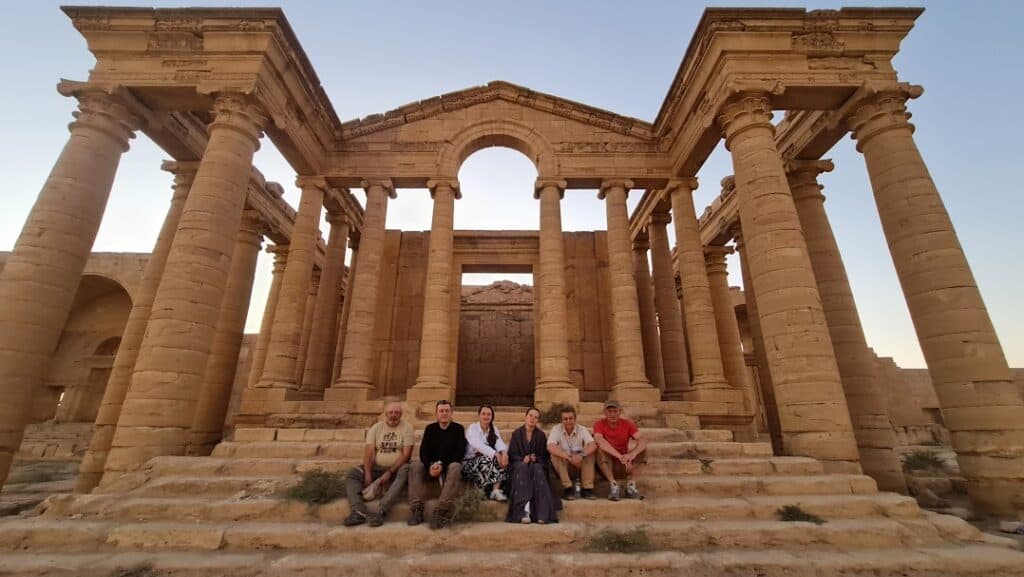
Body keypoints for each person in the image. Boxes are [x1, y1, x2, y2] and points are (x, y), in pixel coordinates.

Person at [343, 402, 413, 527]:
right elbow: (369, 452)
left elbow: (406, 455)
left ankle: (381, 510)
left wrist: (390, 471)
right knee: (352, 473)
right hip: (377, 468)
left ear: (401, 415)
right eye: (390, 413)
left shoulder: (407, 428)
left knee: (407, 468)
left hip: (396, 469)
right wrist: (368, 474)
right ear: (386, 414)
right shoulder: (376, 428)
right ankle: (358, 511)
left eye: (396, 413)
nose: (393, 415)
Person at [408, 399, 466, 529]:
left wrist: (442, 465)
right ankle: (417, 509)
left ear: (452, 413)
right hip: (431, 467)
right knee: (415, 465)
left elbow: (459, 453)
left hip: (448, 467)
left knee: (456, 466)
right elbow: (423, 451)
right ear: (436, 413)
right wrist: (429, 465)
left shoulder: (458, 429)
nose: (444, 413)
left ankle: (441, 511)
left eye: (447, 411)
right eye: (441, 411)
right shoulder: (430, 429)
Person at [506, 407, 560, 524]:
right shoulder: (516, 434)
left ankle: (542, 514)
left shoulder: (540, 435)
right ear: (526, 417)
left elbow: (544, 457)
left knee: (538, 469)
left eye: (536, 417)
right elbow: (512, 454)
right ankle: (524, 511)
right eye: (531, 416)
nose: (532, 419)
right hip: (520, 466)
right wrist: (522, 459)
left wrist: (536, 459)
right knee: (522, 468)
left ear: (538, 420)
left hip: (536, 466)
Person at [593, 400, 647, 501]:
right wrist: (620, 456)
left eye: (615, 411)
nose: (612, 414)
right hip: (607, 466)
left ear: (620, 411)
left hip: (623, 466)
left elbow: (642, 440)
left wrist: (632, 454)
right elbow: (600, 440)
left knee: (643, 450)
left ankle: (631, 486)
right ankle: (613, 486)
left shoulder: (627, 424)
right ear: (604, 412)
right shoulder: (598, 424)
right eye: (609, 411)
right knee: (599, 449)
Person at [546, 404, 597, 500]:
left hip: (580, 465)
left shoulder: (582, 429)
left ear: (575, 419)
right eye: (565, 419)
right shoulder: (556, 429)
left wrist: (581, 455)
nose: (568, 421)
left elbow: (593, 444)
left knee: (590, 454)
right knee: (555, 455)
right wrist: (568, 457)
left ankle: (587, 489)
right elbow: (550, 446)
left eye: (571, 418)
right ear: (561, 420)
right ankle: (568, 488)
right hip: (564, 466)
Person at [462, 404, 509, 501]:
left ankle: (495, 491)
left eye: (489, 414)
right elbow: (478, 445)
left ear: (492, 417)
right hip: (469, 462)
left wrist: (503, 453)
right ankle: (490, 491)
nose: (486, 416)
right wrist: (496, 454)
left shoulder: (493, 429)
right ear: (479, 415)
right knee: (489, 459)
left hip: (486, 461)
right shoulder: (473, 428)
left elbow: (499, 442)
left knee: (502, 459)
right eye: (483, 414)